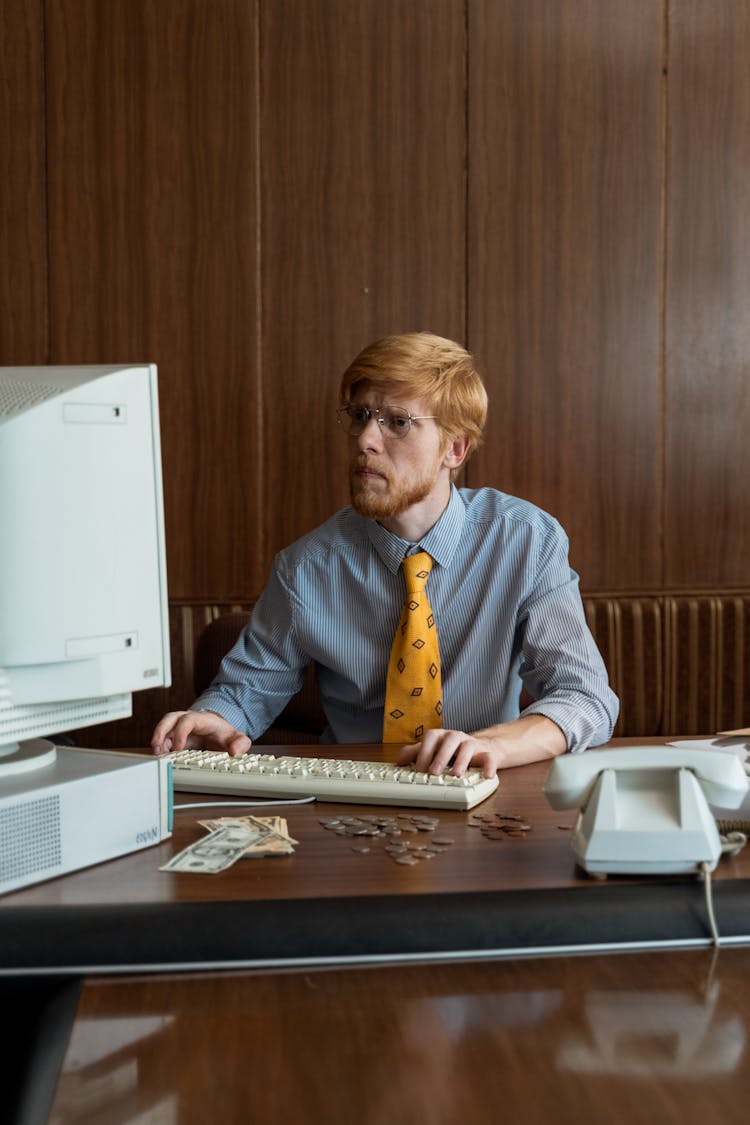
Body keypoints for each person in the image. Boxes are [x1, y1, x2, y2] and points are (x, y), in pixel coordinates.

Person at [151, 331, 618, 776]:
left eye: (397, 422)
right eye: (358, 417)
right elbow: (245, 691)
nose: (365, 441)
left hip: (484, 790)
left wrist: (493, 744)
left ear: (454, 449)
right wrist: (213, 717)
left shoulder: (525, 541)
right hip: (352, 797)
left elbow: (585, 699)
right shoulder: (305, 567)